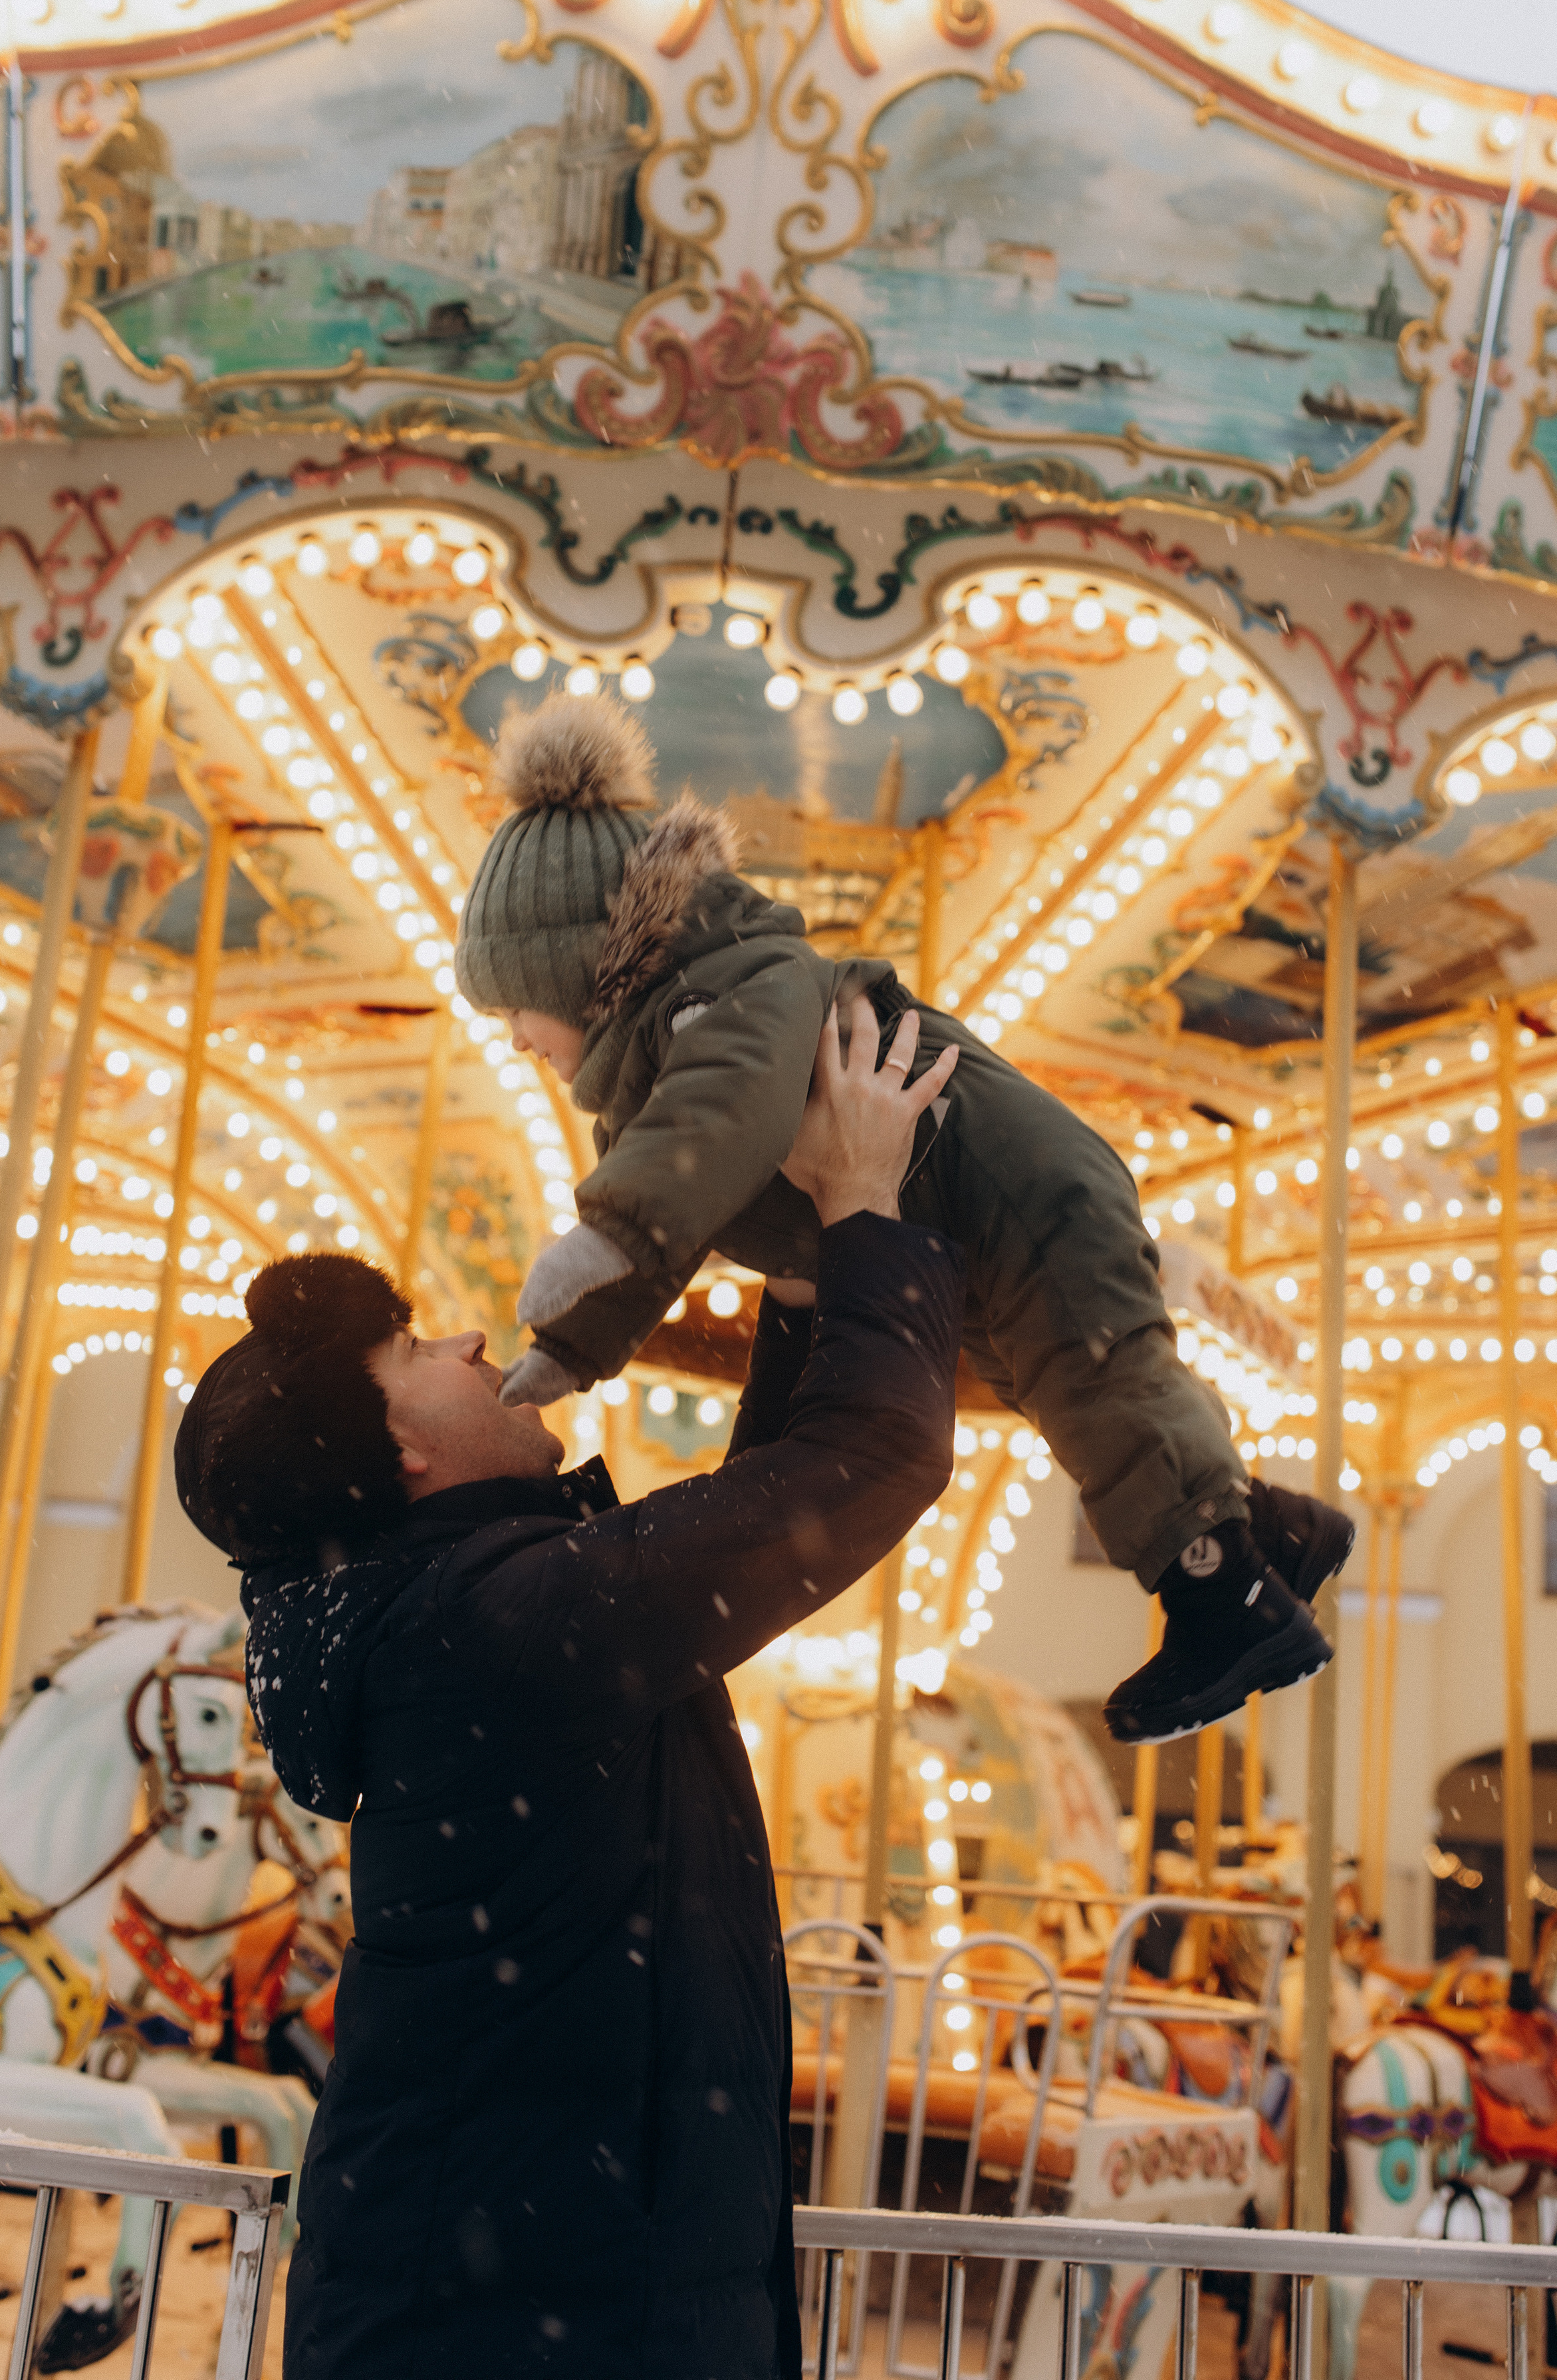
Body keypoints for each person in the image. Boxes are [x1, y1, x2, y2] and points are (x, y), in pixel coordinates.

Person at [174, 996, 963, 2379]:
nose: (472, 1346)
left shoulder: (469, 1616)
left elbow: (753, 1513)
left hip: (528, 2288)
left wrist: (793, 1273)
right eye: (420, 1353)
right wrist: (860, 1202)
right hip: (537, 2308)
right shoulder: (494, 1626)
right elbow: (865, 1466)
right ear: (399, 1455)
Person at [453, 689, 1352, 1746]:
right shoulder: (657, 1085)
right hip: (962, 1238)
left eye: (516, 1007)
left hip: (1017, 1196)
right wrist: (569, 1349)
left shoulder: (739, 993)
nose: (515, 1038)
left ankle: (1226, 1604)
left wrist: (604, 1239)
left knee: (1093, 1380)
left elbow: (712, 1131)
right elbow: (677, 1235)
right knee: (1060, 1394)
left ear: (580, 970)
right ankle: (1275, 1530)